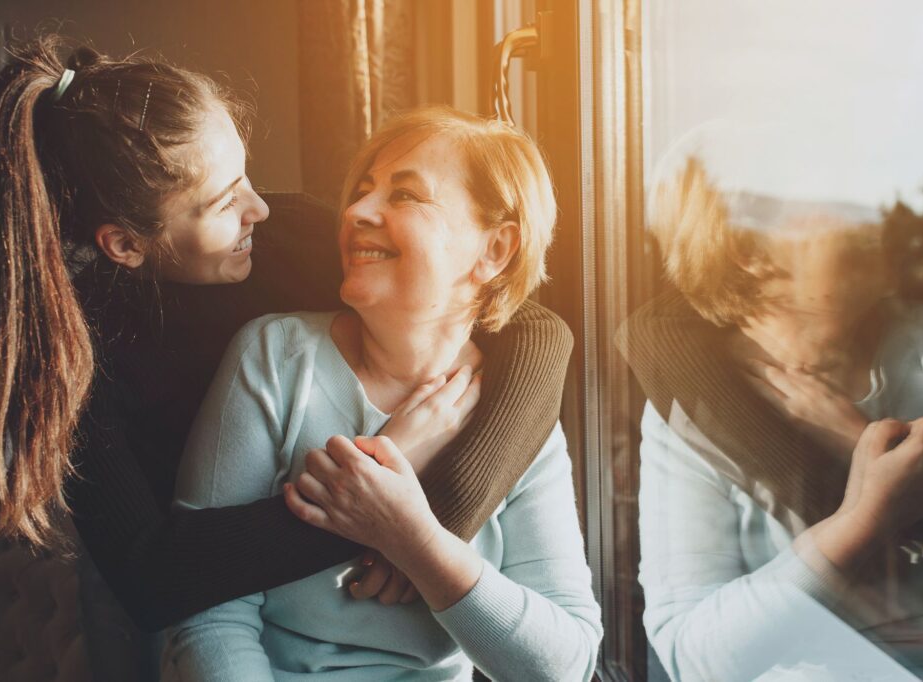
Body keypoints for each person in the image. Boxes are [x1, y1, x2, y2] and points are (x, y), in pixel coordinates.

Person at [0, 35, 574, 645]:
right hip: (169, 594)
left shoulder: (281, 239)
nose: (261, 209)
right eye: (226, 202)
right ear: (125, 244)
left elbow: (537, 331)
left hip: (301, 567)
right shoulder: (52, 352)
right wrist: (384, 479)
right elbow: (152, 577)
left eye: (246, 177)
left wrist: (442, 507)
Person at [164, 107, 603, 681]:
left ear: (494, 250)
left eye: (405, 196)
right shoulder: (275, 355)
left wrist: (416, 540)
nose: (356, 211)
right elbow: (209, 615)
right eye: (363, 190)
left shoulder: (511, 411)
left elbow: (566, 665)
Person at [620, 158, 923, 681]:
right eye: (825, 198)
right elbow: (692, 657)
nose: (868, 212)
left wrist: (856, 440)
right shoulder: (691, 415)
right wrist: (862, 520)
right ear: (750, 250)